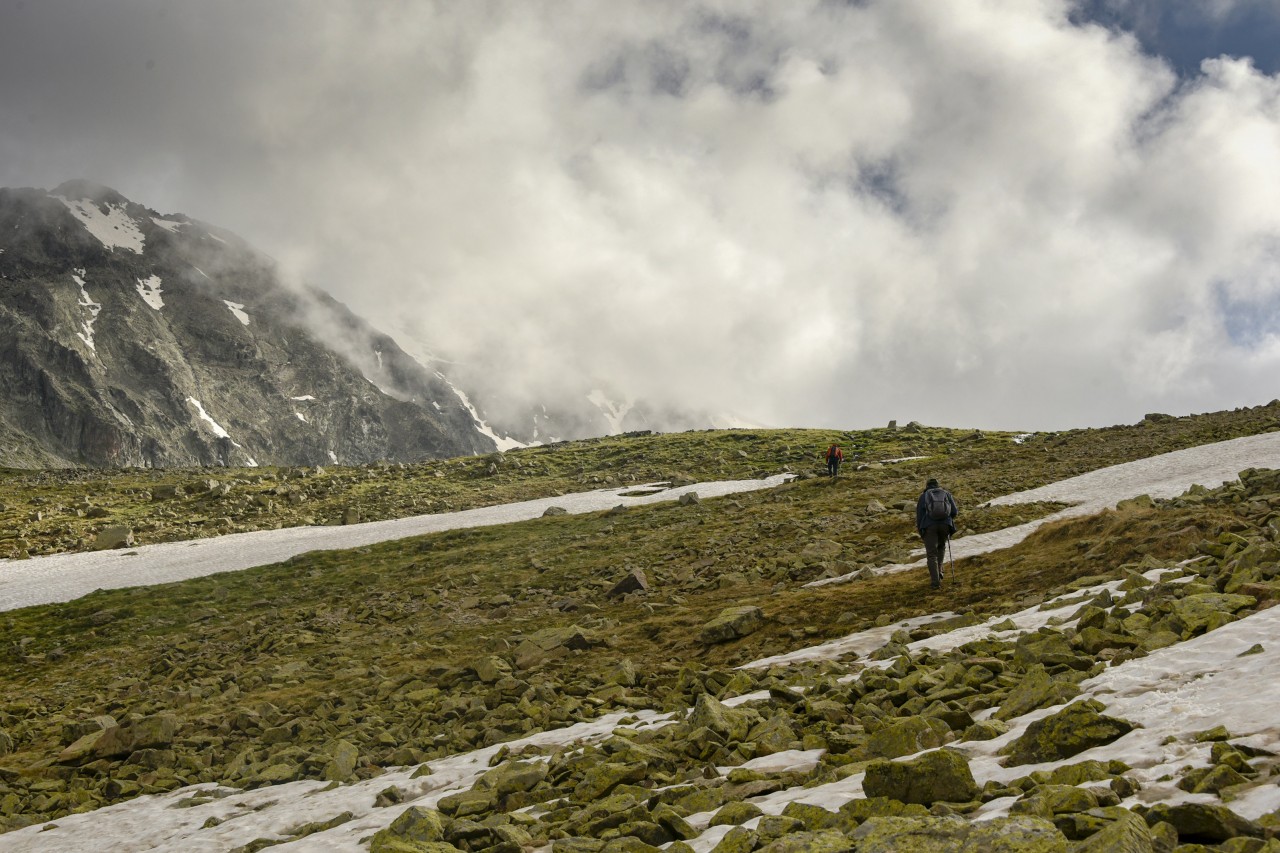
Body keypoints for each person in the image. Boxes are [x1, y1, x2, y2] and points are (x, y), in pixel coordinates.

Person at [915, 478, 957, 590]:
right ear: (937, 485)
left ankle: (935, 582)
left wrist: (921, 530)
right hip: (945, 525)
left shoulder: (924, 496)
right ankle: (940, 571)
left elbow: (919, 515)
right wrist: (947, 521)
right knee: (941, 546)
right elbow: (954, 511)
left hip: (929, 526)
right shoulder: (946, 494)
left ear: (927, 486)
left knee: (931, 554)